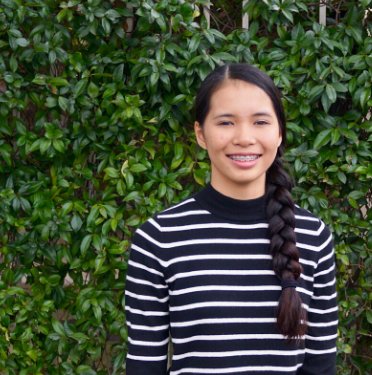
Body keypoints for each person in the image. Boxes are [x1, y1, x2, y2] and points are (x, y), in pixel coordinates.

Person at [124, 63, 338, 375]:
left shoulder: (313, 236)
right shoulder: (158, 239)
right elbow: (145, 366)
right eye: (225, 122)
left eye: (260, 122)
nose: (244, 138)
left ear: (279, 133)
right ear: (200, 134)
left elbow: (320, 368)